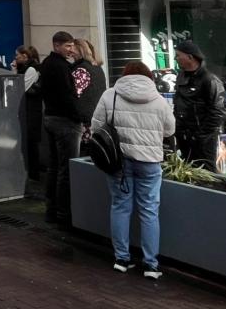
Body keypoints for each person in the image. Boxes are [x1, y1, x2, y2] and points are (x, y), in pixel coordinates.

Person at [91, 61, 175, 280]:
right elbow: (170, 129)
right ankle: (151, 265)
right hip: (149, 162)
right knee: (149, 211)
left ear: (125, 75)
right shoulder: (158, 99)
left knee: (120, 206)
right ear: (148, 76)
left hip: (119, 161)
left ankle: (121, 259)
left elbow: (96, 126)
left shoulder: (111, 95)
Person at [39, 30, 79, 227]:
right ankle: (64, 213)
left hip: (50, 117)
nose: (71, 50)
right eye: (67, 46)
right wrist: (79, 117)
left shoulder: (47, 63)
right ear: (57, 46)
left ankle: (51, 208)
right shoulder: (61, 66)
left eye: (72, 46)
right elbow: (67, 95)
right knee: (65, 167)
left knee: (54, 166)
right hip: (64, 121)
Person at [172, 40, 226, 171]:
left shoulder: (209, 79)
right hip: (184, 137)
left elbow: (218, 112)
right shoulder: (181, 76)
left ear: (190, 57)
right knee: (187, 173)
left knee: (206, 175)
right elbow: (179, 103)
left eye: (179, 55)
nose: (176, 58)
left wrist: (201, 135)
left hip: (203, 140)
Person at [13, 45, 43, 180]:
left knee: (31, 141)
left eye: (17, 55)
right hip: (26, 109)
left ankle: (33, 172)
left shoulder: (31, 69)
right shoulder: (24, 68)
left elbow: (20, 88)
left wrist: (14, 71)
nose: (15, 58)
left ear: (25, 56)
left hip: (31, 110)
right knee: (28, 140)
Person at [72, 38, 108, 143]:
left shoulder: (81, 70)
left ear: (80, 50)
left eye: (73, 50)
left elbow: (74, 94)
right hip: (96, 118)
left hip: (84, 122)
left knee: (79, 156)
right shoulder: (98, 69)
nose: (71, 54)